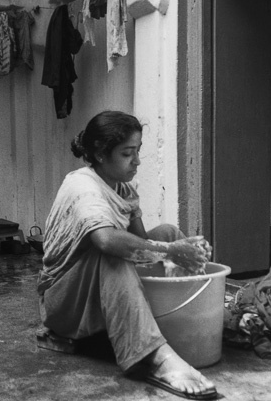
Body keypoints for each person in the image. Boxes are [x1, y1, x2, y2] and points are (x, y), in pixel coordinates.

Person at [37, 111, 218, 400]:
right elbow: (107, 240)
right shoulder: (82, 186)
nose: (136, 161)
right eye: (127, 153)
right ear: (100, 153)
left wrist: (175, 247)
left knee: (168, 232)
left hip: (98, 291)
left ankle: (199, 315)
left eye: (137, 151)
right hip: (65, 303)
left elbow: (142, 243)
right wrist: (170, 252)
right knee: (112, 254)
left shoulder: (123, 189)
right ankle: (157, 358)